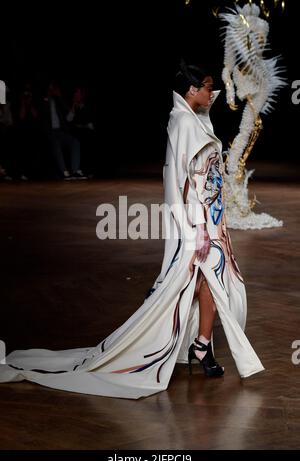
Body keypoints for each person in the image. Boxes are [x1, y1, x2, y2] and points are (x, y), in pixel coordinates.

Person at [0, 62, 264, 399]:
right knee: (193, 281)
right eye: (206, 86)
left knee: (211, 279)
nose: (212, 93)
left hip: (211, 219)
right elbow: (184, 181)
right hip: (198, 221)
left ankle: (201, 344)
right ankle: (192, 345)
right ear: (191, 91)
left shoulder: (196, 119)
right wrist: (198, 227)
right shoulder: (183, 121)